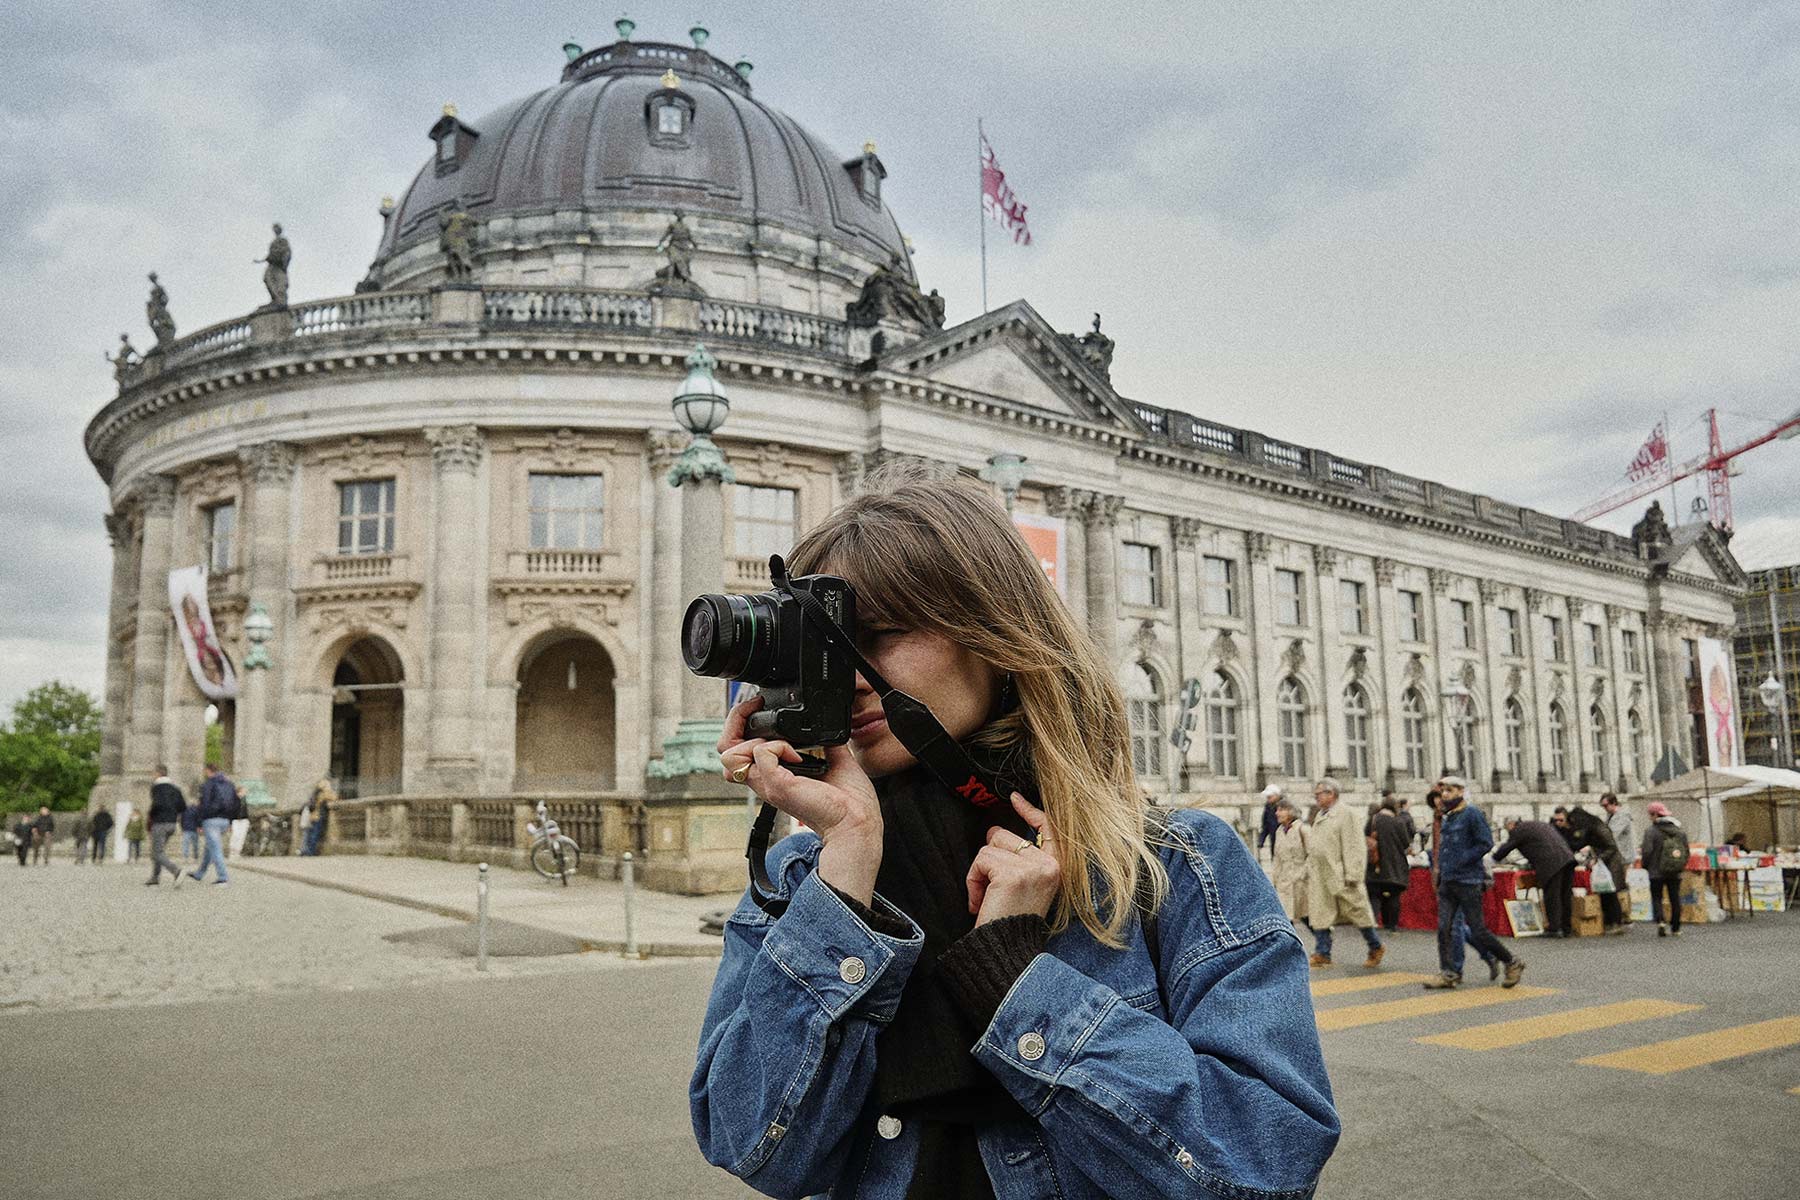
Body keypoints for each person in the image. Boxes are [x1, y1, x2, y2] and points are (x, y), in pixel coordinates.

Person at [693, 470, 1339, 1199]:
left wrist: (1016, 981)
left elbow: (1266, 1167)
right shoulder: (802, 881)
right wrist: (843, 877)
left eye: (882, 634)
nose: (853, 678)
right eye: (826, 645)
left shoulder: (1174, 864)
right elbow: (754, 1148)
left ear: (996, 634)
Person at [1425, 776, 1523, 989]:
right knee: (1444, 928)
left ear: (1461, 792)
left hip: (1468, 880)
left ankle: (1511, 961)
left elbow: (1485, 842)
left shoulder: (1472, 814)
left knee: (1478, 930)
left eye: (1449, 791)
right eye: (1443, 791)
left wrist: (1464, 859)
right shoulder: (1448, 817)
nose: (1444, 795)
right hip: (1449, 881)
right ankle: (1449, 972)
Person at [1304, 779, 1384, 968]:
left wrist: (1353, 873)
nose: (1316, 797)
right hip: (1321, 874)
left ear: (1331, 794)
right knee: (1321, 912)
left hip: (1341, 873)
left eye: (1319, 793)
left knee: (1357, 911)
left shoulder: (1346, 814)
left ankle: (1375, 945)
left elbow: (1354, 844)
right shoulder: (1321, 815)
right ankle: (1323, 952)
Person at [1494, 816, 1576, 938]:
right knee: (1565, 895)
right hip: (1567, 859)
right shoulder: (1536, 824)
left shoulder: (1519, 830)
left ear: (1511, 824)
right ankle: (1566, 928)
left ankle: (1554, 929)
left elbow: (1506, 848)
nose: (1508, 831)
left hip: (1551, 863)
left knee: (1552, 895)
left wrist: (1492, 859)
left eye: (1507, 828)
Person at [1554, 805, 1628, 935]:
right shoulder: (1590, 827)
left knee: (1610, 893)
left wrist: (1598, 858)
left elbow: (1611, 847)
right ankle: (1609, 922)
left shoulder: (1599, 828)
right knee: (1604, 892)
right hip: (1602, 862)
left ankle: (1616, 922)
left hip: (1610, 863)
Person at [1640, 802, 1689, 938]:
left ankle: (1661, 921)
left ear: (1655, 815)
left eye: (1650, 815)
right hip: (1675, 871)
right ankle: (1676, 928)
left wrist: (1645, 865)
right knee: (1675, 898)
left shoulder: (1651, 831)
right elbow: (1686, 851)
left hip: (1656, 871)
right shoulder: (1679, 831)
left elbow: (1647, 851)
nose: (1650, 817)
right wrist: (1680, 865)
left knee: (1657, 897)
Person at [1364, 796, 1411, 933]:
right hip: (1394, 865)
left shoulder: (1373, 820)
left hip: (1375, 864)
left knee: (1375, 895)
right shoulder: (1398, 822)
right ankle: (1392, 925)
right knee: (1393, 895)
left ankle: (1371, 922)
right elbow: (1406, 843)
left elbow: (1365, 838)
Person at [188, 762, 237, 884]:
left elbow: (203, 804)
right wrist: (230, 821)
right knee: (209, 847)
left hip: (211, 820)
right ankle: (199, 873)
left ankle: (223, 877)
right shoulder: (230, 784)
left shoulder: (208, 784)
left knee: (215, 848)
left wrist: (199, 823)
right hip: (225, 819)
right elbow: (235, 803)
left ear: (208, 770)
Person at [1272, 797, 1310, 926]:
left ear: (1291, 812)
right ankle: (1291, 945)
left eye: (1281, 810)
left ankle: (1324, 940)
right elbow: (1277, 858)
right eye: (1277, 810)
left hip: (1302, 882)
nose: (1277, 813)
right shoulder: (1279, 831)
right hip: (1284, 882)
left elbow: (1312, 855)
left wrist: (1303, 874)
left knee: (1307, 916)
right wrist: (1274, 880)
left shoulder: (1303, 829)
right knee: (1285, 919)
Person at [145, 768, 185, 886]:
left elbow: (156, 804)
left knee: (156, 852)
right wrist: (173, 813)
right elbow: (183, 806)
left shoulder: (156, 788)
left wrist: (151, 814)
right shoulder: (176, 789)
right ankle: (155, 877)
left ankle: (176, 871)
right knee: (159, 851)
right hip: (172, 824)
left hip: (159, 823)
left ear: (158, 774)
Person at [1601, 793, 1636, 924]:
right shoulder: (1610, 816)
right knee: (1618, 883)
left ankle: (1626, 913)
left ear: (1613, 803)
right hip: (1615, 855)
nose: (1604, 808)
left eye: (1606, 805)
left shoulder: (1622, 816)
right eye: (1602, 806)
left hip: (1623, 855)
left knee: (1621, 884)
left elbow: (1612, 834)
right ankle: (1622, 912)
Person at [301, 778, 335, 856]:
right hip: (318, 816)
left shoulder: (315, 793)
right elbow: (334, 797)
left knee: (309, 834)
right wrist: (330, 791)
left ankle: (306, 851)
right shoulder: (322, 794)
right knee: (314, 834)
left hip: (312, 816)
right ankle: (310, 851)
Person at [1257, 783, 1283, 861]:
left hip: (1284, 840)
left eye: (1270, 797)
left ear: (1277, 796)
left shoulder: (1285, 807)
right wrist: (1261, 840)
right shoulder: (1268, 808)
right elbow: (1265, 826)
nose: (1268, 799)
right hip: (1274, 840)